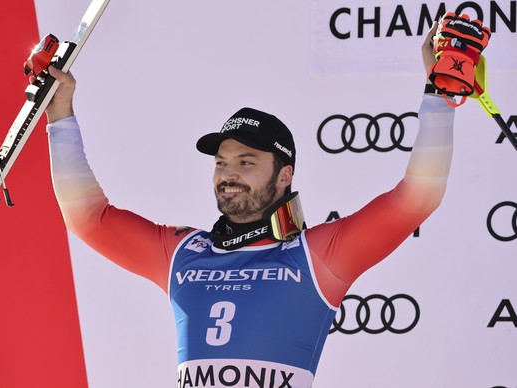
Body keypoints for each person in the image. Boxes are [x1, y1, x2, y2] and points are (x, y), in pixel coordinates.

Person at [42, 17, 477, 388]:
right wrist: (59, 114)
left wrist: (439, 96)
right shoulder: (181, 253)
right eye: (221, 162)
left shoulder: (318, 256)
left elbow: (418, 197)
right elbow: (88, 218)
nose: (228, 173)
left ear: (284, 175)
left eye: (246, 161)